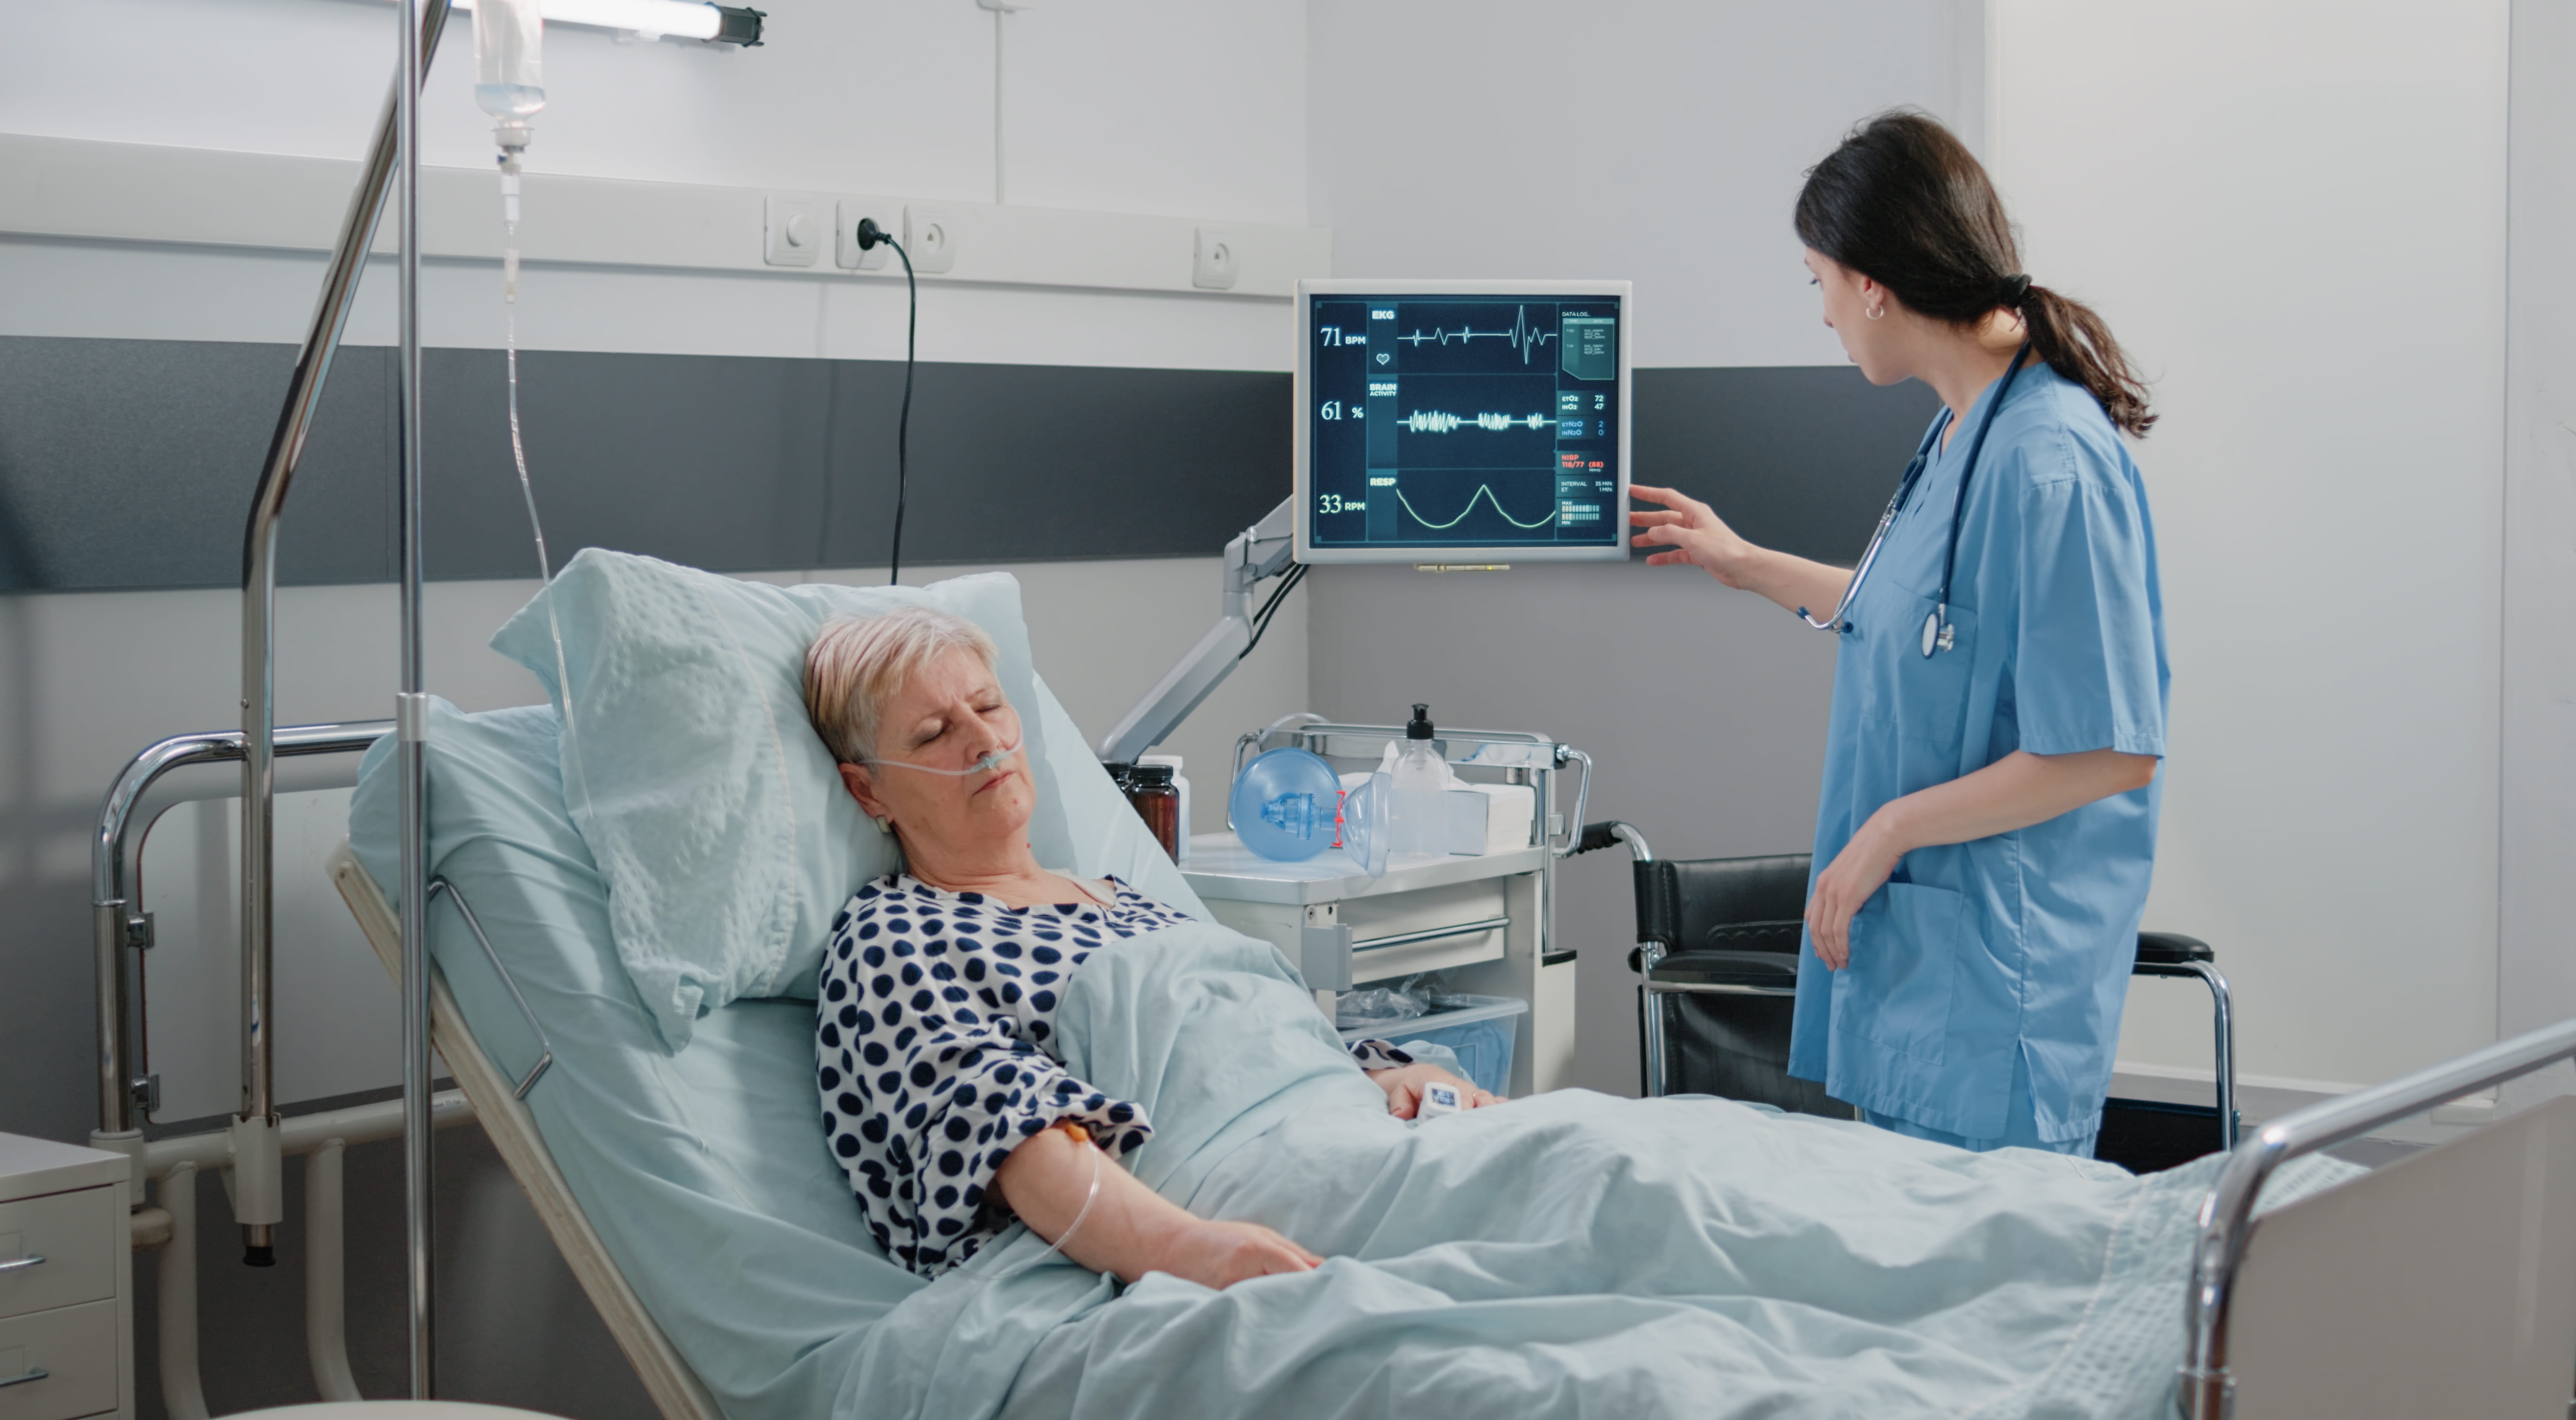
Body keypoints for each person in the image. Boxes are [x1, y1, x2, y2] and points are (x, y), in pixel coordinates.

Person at [1629, 110, 2166, 1156]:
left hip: (1997, 978)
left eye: (1819, 280)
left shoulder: (2048, 461)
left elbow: (2110, 750)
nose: (1824, 313)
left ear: (1873, 282)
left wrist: (1888, 831)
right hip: (1929, 961)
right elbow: (1923, 619)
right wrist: (1745, 564)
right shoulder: (1962, 424)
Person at [800, 606, 1496, 1287]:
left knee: (1577, 1153)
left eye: (988, 705)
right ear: (868, 791)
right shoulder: (896, 933)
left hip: (1354, 1128)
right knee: (1586, 1174)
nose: (985, 742)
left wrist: (1389, 1079)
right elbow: (1002, 1129)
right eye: (933, 734)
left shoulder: (1126, 898)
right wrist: (1192, 1253)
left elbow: (1259, 1039)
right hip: (1227, 1184)